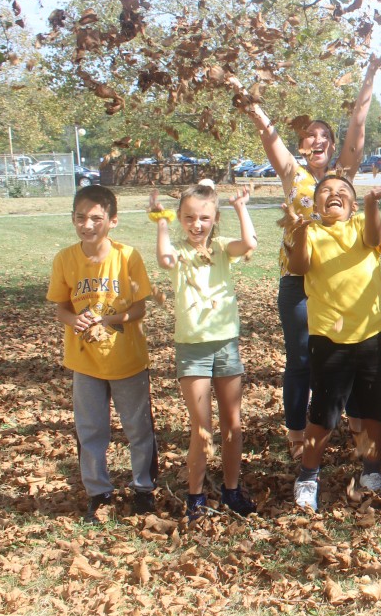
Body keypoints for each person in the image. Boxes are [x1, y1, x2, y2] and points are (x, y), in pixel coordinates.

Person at [228, 56, 381, 461]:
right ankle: (296, 432)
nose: (317, 141)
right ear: (302, 145)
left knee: (347, 350)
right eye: (310, 136)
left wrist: (368, 77)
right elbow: (268, 135)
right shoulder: (292, 175)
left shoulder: (344, 174)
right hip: (298, 280)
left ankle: (352, 419)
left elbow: (358, 126)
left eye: (323, 137)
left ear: (333, 146)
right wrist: (249, 100)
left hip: (340, 280)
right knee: (300, 358)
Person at [285, 176, 381, 512]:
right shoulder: (311, 232)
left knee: (374, 410)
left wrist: (372, 202)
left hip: (373, 334)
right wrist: (301, 230)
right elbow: (298, 266)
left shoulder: (363, 224)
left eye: (342, 192)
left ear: (352, 202)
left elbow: (375, 237)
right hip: (329, 340)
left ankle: (372, 469)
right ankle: (307, 476)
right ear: (316, 203)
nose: (334, 196)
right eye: (326, 192)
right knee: (324, 414)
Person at [48, 185, 158, 521]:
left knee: (138, 428)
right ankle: (99, 493)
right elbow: (61, 310)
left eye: (96, 218)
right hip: (85, 362)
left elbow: (139, 308)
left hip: (127, 361)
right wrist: (76, 319)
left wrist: (111, 319)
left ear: (112, 221)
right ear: (73, 219)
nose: (87, 224)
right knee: (91, 429)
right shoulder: (65, 259)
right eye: (80, 217)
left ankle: (143, 489)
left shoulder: (127, 256)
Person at [151, 182, 259, 519]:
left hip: (226, 344)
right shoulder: (180, 251)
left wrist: (241, 207)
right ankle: (195, 496)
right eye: (189, 218)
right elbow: (164, 257)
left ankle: (230, 490)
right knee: (202, 427)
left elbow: (250, 243)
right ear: (181, 218)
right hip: (192, 349)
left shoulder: (224, 248)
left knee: (233, 424)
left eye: (204, 218)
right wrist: (163, 223)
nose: (196, 225)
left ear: (215, 219)